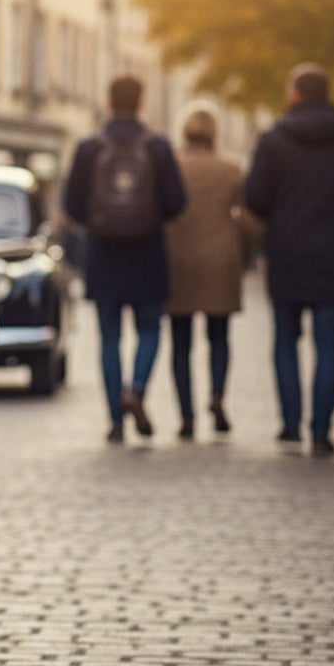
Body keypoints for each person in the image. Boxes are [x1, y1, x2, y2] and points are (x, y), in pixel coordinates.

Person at [243, 63, 334, 457]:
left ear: (294, 94)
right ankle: (321, 430)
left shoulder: (273, 140)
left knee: (285, 340)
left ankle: (290, 424)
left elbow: (255, 197)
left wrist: (282, 213)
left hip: (287, 250)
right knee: (329, 345)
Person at [63, 75, 186, 443]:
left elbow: (71, 205)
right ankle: (136, 389)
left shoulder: (89, 147)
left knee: (109, 337)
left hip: (103, 254)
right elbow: (177, 201)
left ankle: (116, 420)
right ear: (142, 102)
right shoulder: (159, 146)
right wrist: (146, 219)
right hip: (147, 252)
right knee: (150, 329)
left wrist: (101, 224)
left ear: (109, 101)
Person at [163, 104, 258, 439]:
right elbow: (249, 223)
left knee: (180, 343)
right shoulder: (231, 169)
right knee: (219, 337)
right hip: (220, 261)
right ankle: (217, 397)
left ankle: (186, 415)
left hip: (178, 261)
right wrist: (246, 258)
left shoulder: (171, 165)